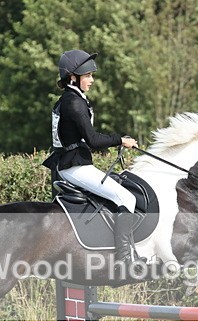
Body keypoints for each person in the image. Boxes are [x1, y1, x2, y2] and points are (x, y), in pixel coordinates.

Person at [43, 49, 142, 265]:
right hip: (73, 166)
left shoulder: (71, 99)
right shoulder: (73, 103)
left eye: (91, 75)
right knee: (127, 198)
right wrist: (120, 140)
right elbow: (93, 140)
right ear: (73, 77)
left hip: (71, 163)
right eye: (87, 76)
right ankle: (125, 259)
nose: (92, 80)